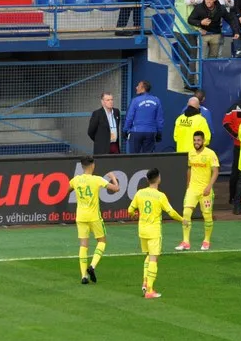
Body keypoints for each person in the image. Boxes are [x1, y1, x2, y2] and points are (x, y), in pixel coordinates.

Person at [127, 167, 183, 299]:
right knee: (153, 259)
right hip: (153, 231)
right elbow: (171, 212)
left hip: (142, 230)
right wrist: (182, 220)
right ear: (158, 179)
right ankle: (150, 290)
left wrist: (134, 214)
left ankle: (145, 281)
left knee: (148, 256)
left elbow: (130, 209)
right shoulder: (160, 196)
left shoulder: (140, 193)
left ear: (147, 179)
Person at [69, 157, 121, 285]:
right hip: (94, 217)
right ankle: (92, 266)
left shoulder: (76, 180)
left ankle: (83, 276)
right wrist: (113, 177)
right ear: (92, 166)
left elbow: (67, 190)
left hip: (81, 216)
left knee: (83, 245)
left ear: (82, 166)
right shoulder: (97, 179)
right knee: (102, 241)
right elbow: (116, 189)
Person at [177, 130, 219, 252]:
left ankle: (206, 241)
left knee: (207, 216)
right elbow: (189, 169)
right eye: (195, 140)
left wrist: (209, 187)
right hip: (193, 189)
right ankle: (186, 242)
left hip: (205, 190)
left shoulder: (210, 154)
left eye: (199, 140)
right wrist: (188, 185)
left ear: (203, 141)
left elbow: (215, 171)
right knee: (186, 213)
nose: (196, 142)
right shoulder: (191, 153)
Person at [124, 80, 164, 154]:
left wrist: (125, 130)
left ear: (143, 88)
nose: (136, 87)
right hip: (151, 132)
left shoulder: (135, 100)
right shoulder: (156, 100)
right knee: (148, 158)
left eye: (138, 86)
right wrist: (159, 133)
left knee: (133, 157)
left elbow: (129, 117)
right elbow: (159, 119)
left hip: (136, 132)